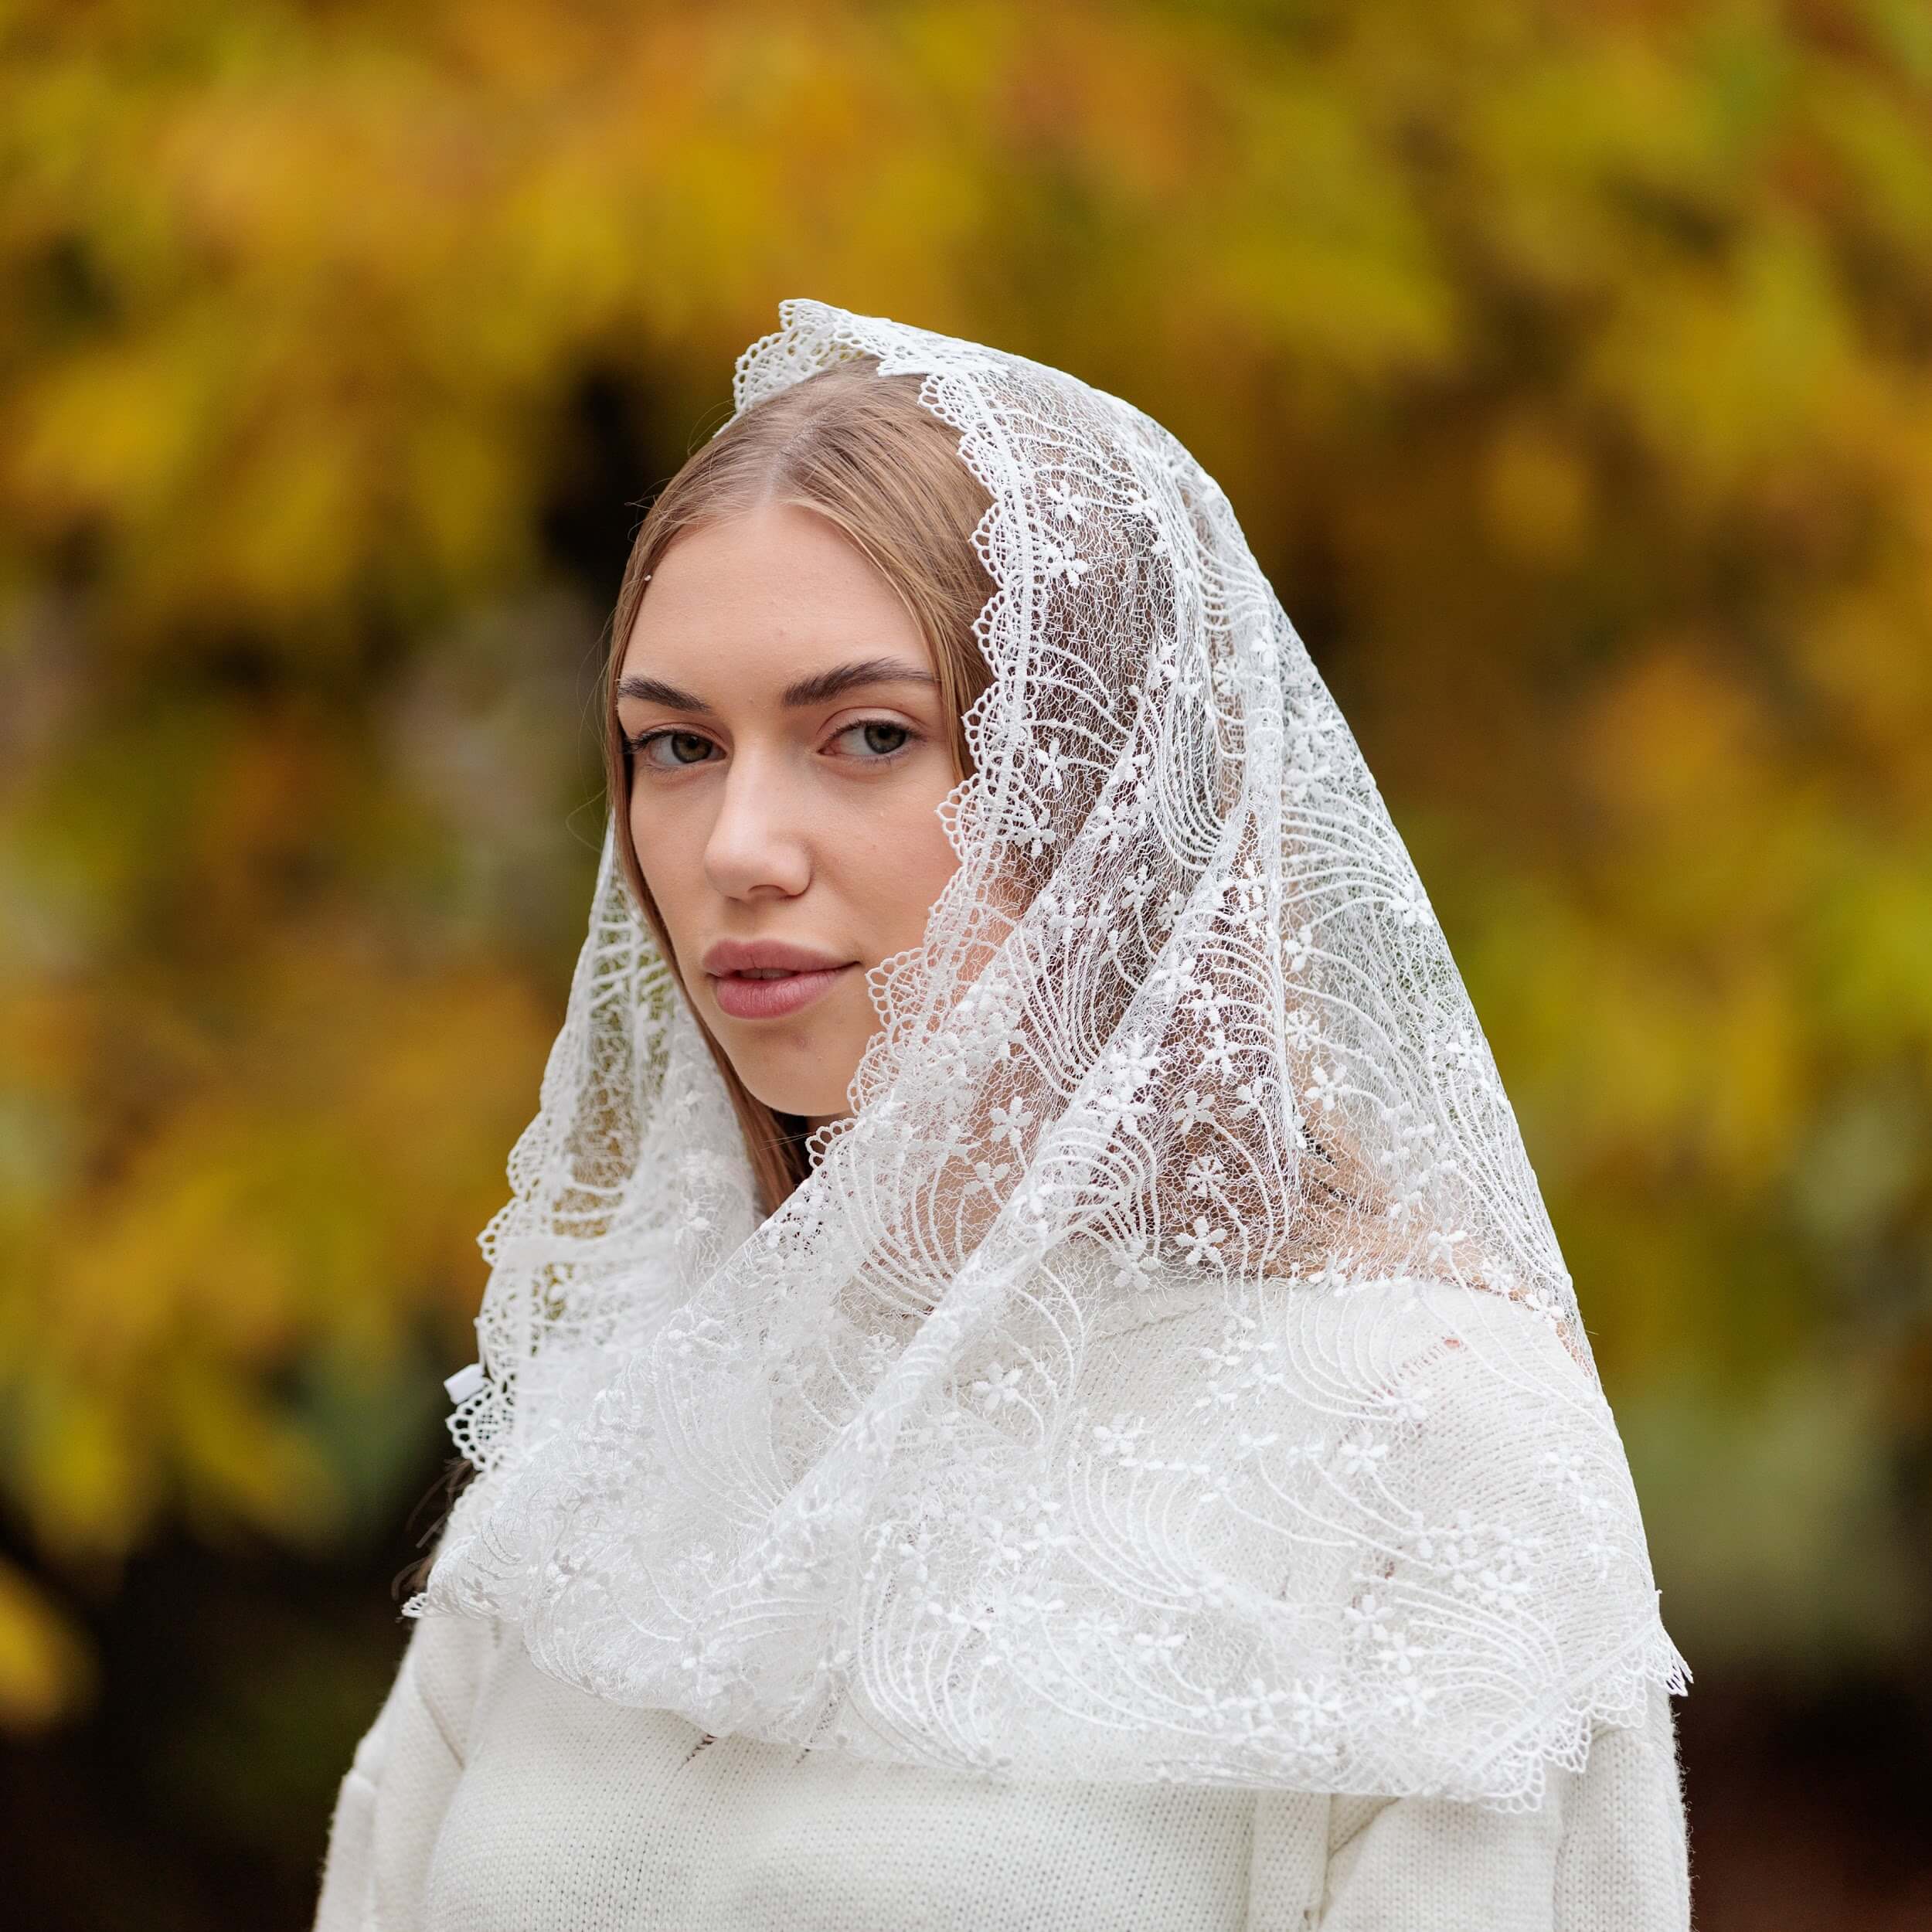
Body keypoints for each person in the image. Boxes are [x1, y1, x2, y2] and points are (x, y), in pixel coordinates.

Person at [311, 301, 1694, 1930]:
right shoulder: (615, 1429)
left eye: (867, 735)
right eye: (675, 744)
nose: (735, 843)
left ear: (1097, 796)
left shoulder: (1418, 1444)